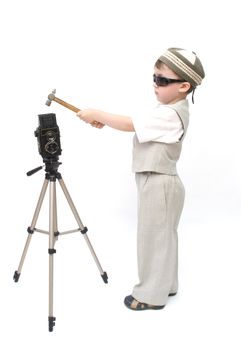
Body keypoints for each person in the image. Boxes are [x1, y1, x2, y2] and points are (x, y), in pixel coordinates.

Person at [77, 48, 205, 310]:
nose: (155, 84)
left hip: (159, 183)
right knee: (163, 237)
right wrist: (103, 120)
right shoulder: (170, 110)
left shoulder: (170, 114)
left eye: (162, 80)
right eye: (154, 77)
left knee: (152, 239)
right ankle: (166, 285)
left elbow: (128, 124)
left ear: (184, 86)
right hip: (161, 182)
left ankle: (149, 295)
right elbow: (133, 124)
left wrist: (98, 114)